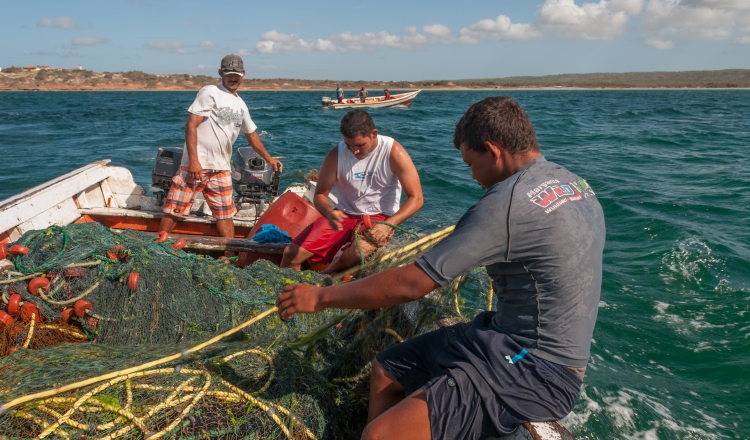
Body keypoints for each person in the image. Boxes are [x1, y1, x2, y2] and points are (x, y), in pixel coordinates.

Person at [276, 96, 605, 440]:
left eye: (470, 163)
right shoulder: (574, 183)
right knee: (387, 369)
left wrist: (320, 297)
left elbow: (413, 284)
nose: (473, 176)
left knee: (379, 435)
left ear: (493, 151)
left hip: (537, 369)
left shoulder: (505, 204)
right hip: (499, 336)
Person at [280, 109, 423, 273]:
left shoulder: (394, 152)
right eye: (349, 146)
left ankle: (324, 278)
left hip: (380, 217)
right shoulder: (335, 155)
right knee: (291, 254)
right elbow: (320, 194)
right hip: (343, 215)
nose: (354, 151)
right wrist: (328, 212)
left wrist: (389, 225)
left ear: (373, 134)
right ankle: (285, 294)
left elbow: (416, 198)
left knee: (356, 252)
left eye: (360, 145)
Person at [159, 54, 282, 240]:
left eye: (237, 74)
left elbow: (251, 134)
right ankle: (158, 244)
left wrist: (269, 158)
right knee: (174, 210)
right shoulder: (209, 92)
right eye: (229, 73)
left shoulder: (240, 104)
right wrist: (193, 161)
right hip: (195, 166)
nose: (233, 77)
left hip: (221, 168)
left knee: (225, 215)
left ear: (243, 74)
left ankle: (229, 256)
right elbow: (190, 125)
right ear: (220, 73)